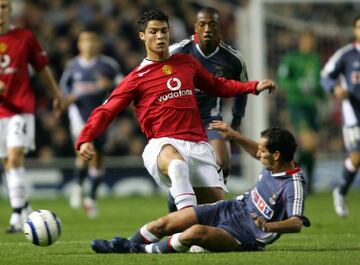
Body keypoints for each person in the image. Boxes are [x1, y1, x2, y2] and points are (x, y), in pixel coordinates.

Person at [77, 8, 275, 212]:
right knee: (177, 165)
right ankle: (168, 232)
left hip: (197, 145)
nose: (160, 36)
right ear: (142, 36)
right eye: (153, 31)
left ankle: (180, 225)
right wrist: (85, 137)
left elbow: (218, 85)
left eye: (164, 30)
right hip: (163, 144)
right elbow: (106, 110)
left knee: (216, 217)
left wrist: (253, 86)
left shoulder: (187, 63)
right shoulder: (136, 78)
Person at [90, 122, 310, 254]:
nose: (258, 153)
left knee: (195, 233)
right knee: (166, 222)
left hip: (245, 236)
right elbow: (256, 151)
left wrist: (269, 227)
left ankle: (137, 251)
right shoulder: (274, 162)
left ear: (277, 155)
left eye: (263, 151)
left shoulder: (293, 185)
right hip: (231, 208)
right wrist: (233, 136)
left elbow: (296, 223)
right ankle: (120, 245)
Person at [166, 7, 249, 211]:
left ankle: (210, 210)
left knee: (223, 163)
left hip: (211, 118)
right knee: (181, 169)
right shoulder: (178, 52)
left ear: (219, 28)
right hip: (181, 120)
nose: (207, 28)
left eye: (212, 24)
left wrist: (236, 122)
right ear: (195, 27)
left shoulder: (232, 59)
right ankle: (176, 206)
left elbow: (241, 90)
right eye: (202, 24)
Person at [0, 0, 63, 232]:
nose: (1, 11)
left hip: (20, 109)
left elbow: (41, 68)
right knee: (9, 162)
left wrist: (56, 94)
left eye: (4, 6)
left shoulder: (25, 37)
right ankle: (24, 206)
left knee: (15, 157)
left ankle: (17, 216)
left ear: (10, 10)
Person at [60, 30, 122, 218]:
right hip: (78, 114)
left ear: (98, 43)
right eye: (85, 40)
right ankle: (78, 186)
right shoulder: (72, 66)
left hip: (101, 114)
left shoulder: (108, 65)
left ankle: (91, 199)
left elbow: (123, 86)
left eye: (92, 39)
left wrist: (109, 85)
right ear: (79, 44)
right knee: (85, 150)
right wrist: (66, 99)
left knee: (99, 157)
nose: (89, 44)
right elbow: (64, 89)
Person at [321, 15, 360, 217]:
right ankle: (341, 191)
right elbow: (326, 75)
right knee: (357, 156)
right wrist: (335, 88)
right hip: (354, 115)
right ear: (354, 30)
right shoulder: (346, 55)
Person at [277, 30, 324, 194]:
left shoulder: (315, 59)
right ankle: (291, 176)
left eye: (312, 40)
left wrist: (324, 95)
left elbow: (318, 84)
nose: (309, 43)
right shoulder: (291, 59)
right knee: (309, 142)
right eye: (306, 40)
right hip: (297, 105)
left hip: (312, 107)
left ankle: (308, 185)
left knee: (312, 147)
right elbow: (282, 81)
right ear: (300, 41)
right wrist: (299, 86)